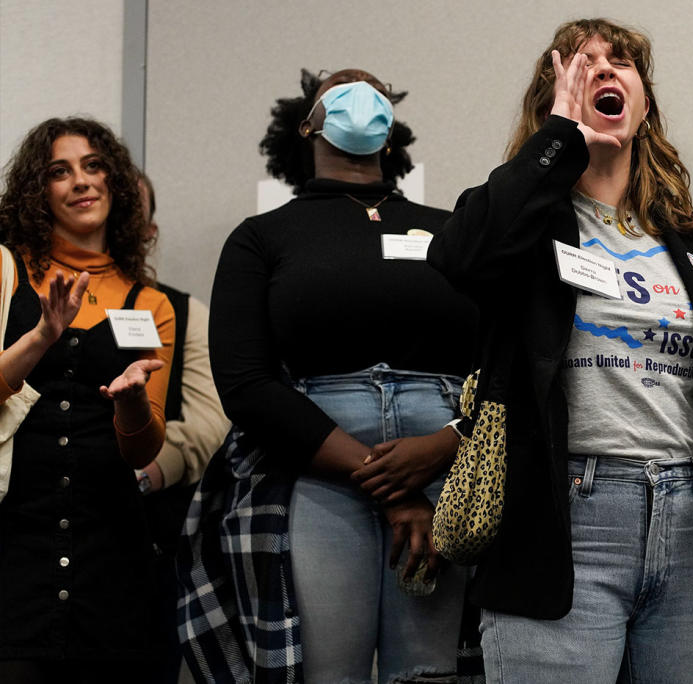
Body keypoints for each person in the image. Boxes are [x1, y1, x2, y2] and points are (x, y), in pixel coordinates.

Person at [427, 18, 693, 683]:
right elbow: (458, 256)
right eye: (583, 63)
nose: (606, 70)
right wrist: (559, 137)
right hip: (567, 518)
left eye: (623, 63)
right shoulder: (523, 223)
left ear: (645, 103)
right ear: (553, 96)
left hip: (692, 521)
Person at [184, 68, 478, 684]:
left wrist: (443, 447)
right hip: (319, 471)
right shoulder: (261, 237)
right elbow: (245, 383)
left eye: (373, 90)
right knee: (327, 671)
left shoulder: (454, 229)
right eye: (339, 90)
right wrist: (394, 488)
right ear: (306, 124)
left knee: (429, 674)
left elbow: (501, 365)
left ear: (392, 133)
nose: (358, 95)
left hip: (447, 474)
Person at [0, 117, 173, 683]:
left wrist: (129, 404)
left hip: (113, 551)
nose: (81, 181)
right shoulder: (5, 271)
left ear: (116, 183)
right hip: (13, 541)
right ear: (38, 191)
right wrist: (41, 337)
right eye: (59, 171)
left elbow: (144, 448)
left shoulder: (150, 303)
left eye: (94, 166)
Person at [134, 173, 230, 684]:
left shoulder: (181, 311)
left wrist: (143, 475)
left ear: (148, 231)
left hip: (149, 543)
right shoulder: (24, 301)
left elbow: (209, 423)